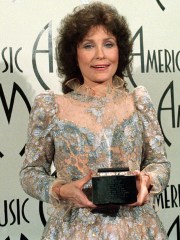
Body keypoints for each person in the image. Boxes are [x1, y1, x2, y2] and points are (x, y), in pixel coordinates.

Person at [20, 2, 171, 239]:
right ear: (74, 53)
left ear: (119, 51)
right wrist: (60, 189)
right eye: (88, 45)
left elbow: (160, 163)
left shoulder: (138, 102)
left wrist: (148, 180)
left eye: (108, 44)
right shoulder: (51, 108)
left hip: (136, 229)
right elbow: (30, 172)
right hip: (74, 231)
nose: (100, 55)